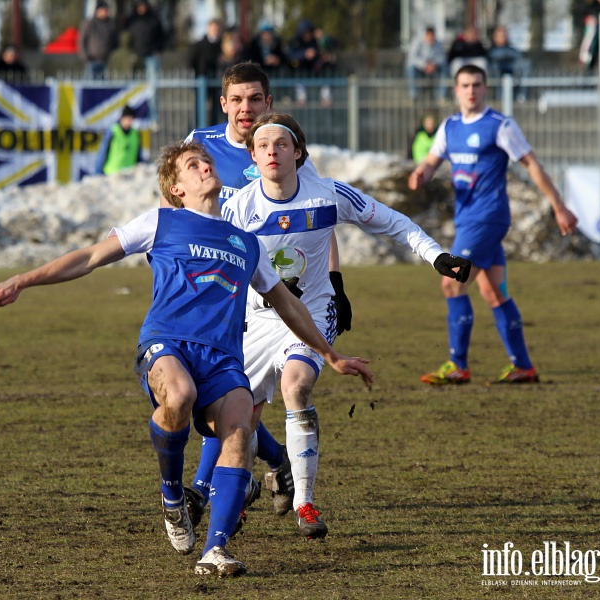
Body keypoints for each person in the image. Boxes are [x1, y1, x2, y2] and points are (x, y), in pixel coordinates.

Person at [0, 139, 373, 577]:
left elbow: (288, 305)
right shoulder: (161, 222)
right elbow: (88, 257)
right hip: (168, 344)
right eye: (193, 165)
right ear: (176, 187)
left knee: (239, 427)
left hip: (222, 358)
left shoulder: (246, 242)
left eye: (207, 161)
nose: (205, 168)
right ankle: (172, 494)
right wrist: (22, 281)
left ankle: (215, 549)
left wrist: (329, 354)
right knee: (178, 396)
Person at [220, 112, 470, 538]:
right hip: (257, 320)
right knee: (240, 417)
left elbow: (393, 221)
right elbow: (214, 260)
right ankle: (237, 496)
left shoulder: (328, 195)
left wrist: (435, 256)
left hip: (313, 313)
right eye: (263, 147)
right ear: (253, 157)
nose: (272, 152)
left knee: (295, 385)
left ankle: (305, 504)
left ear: (298, 153)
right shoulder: (238, 208)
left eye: (282, 144)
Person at [180, 62, 353, 533]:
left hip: (273, 293)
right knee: (225, 399)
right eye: (237, 99)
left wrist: (335, 282)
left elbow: (317, 217)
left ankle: (205, 488)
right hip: (221, 291)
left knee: (236, 395)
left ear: (268, 103)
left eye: (254, 99)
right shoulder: (201, 146)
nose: (245, 108)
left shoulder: (283, 145)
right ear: (223, 104)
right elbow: (182, 207)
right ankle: (275, 462)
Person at [409, 64, 578, 386]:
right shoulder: (450, 127)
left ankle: (458, 365)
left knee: (452, 282)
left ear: (486, 88)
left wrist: (559, 206)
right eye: (465, 85)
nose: (471, 90)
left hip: (488, 218)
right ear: (456, 90)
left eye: (477, 84)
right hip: (468, 220)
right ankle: (523, 367)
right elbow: (431, 162)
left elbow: (532, 164)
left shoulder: (500, 125)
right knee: (494, 292)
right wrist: (421, 174)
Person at [95, 105, 142, 175]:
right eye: (128, 118)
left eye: (131, 118)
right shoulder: (112, 132)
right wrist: (98, 172)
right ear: (122, 118)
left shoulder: (135, 134)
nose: (130, 121)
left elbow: (138, 156)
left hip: (129, 176)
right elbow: (102, 154)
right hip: (111, 175)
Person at [405, 26, 447, 100]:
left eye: (432, 35)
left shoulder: (438, 44)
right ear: (425, 35)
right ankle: (413, 94)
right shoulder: (417, 42)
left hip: (434, 68)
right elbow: (412, 58)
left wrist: (433, 65)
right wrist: (424, 65)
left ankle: (441, 95)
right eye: (429, 35)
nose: (430, 38)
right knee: (410, 68)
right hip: (419, 68)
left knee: (445, 68)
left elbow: (442, 58)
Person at [79, 1, 118, 79]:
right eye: (104, 10)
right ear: (98, 11)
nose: (106, 12)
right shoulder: (89, 24)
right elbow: (82, 41)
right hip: (91, 60)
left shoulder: (111, 25)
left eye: (107, 10)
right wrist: (85, 57)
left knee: (104, 87)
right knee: (90, 86)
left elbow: (115, 41)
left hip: (106, 61)